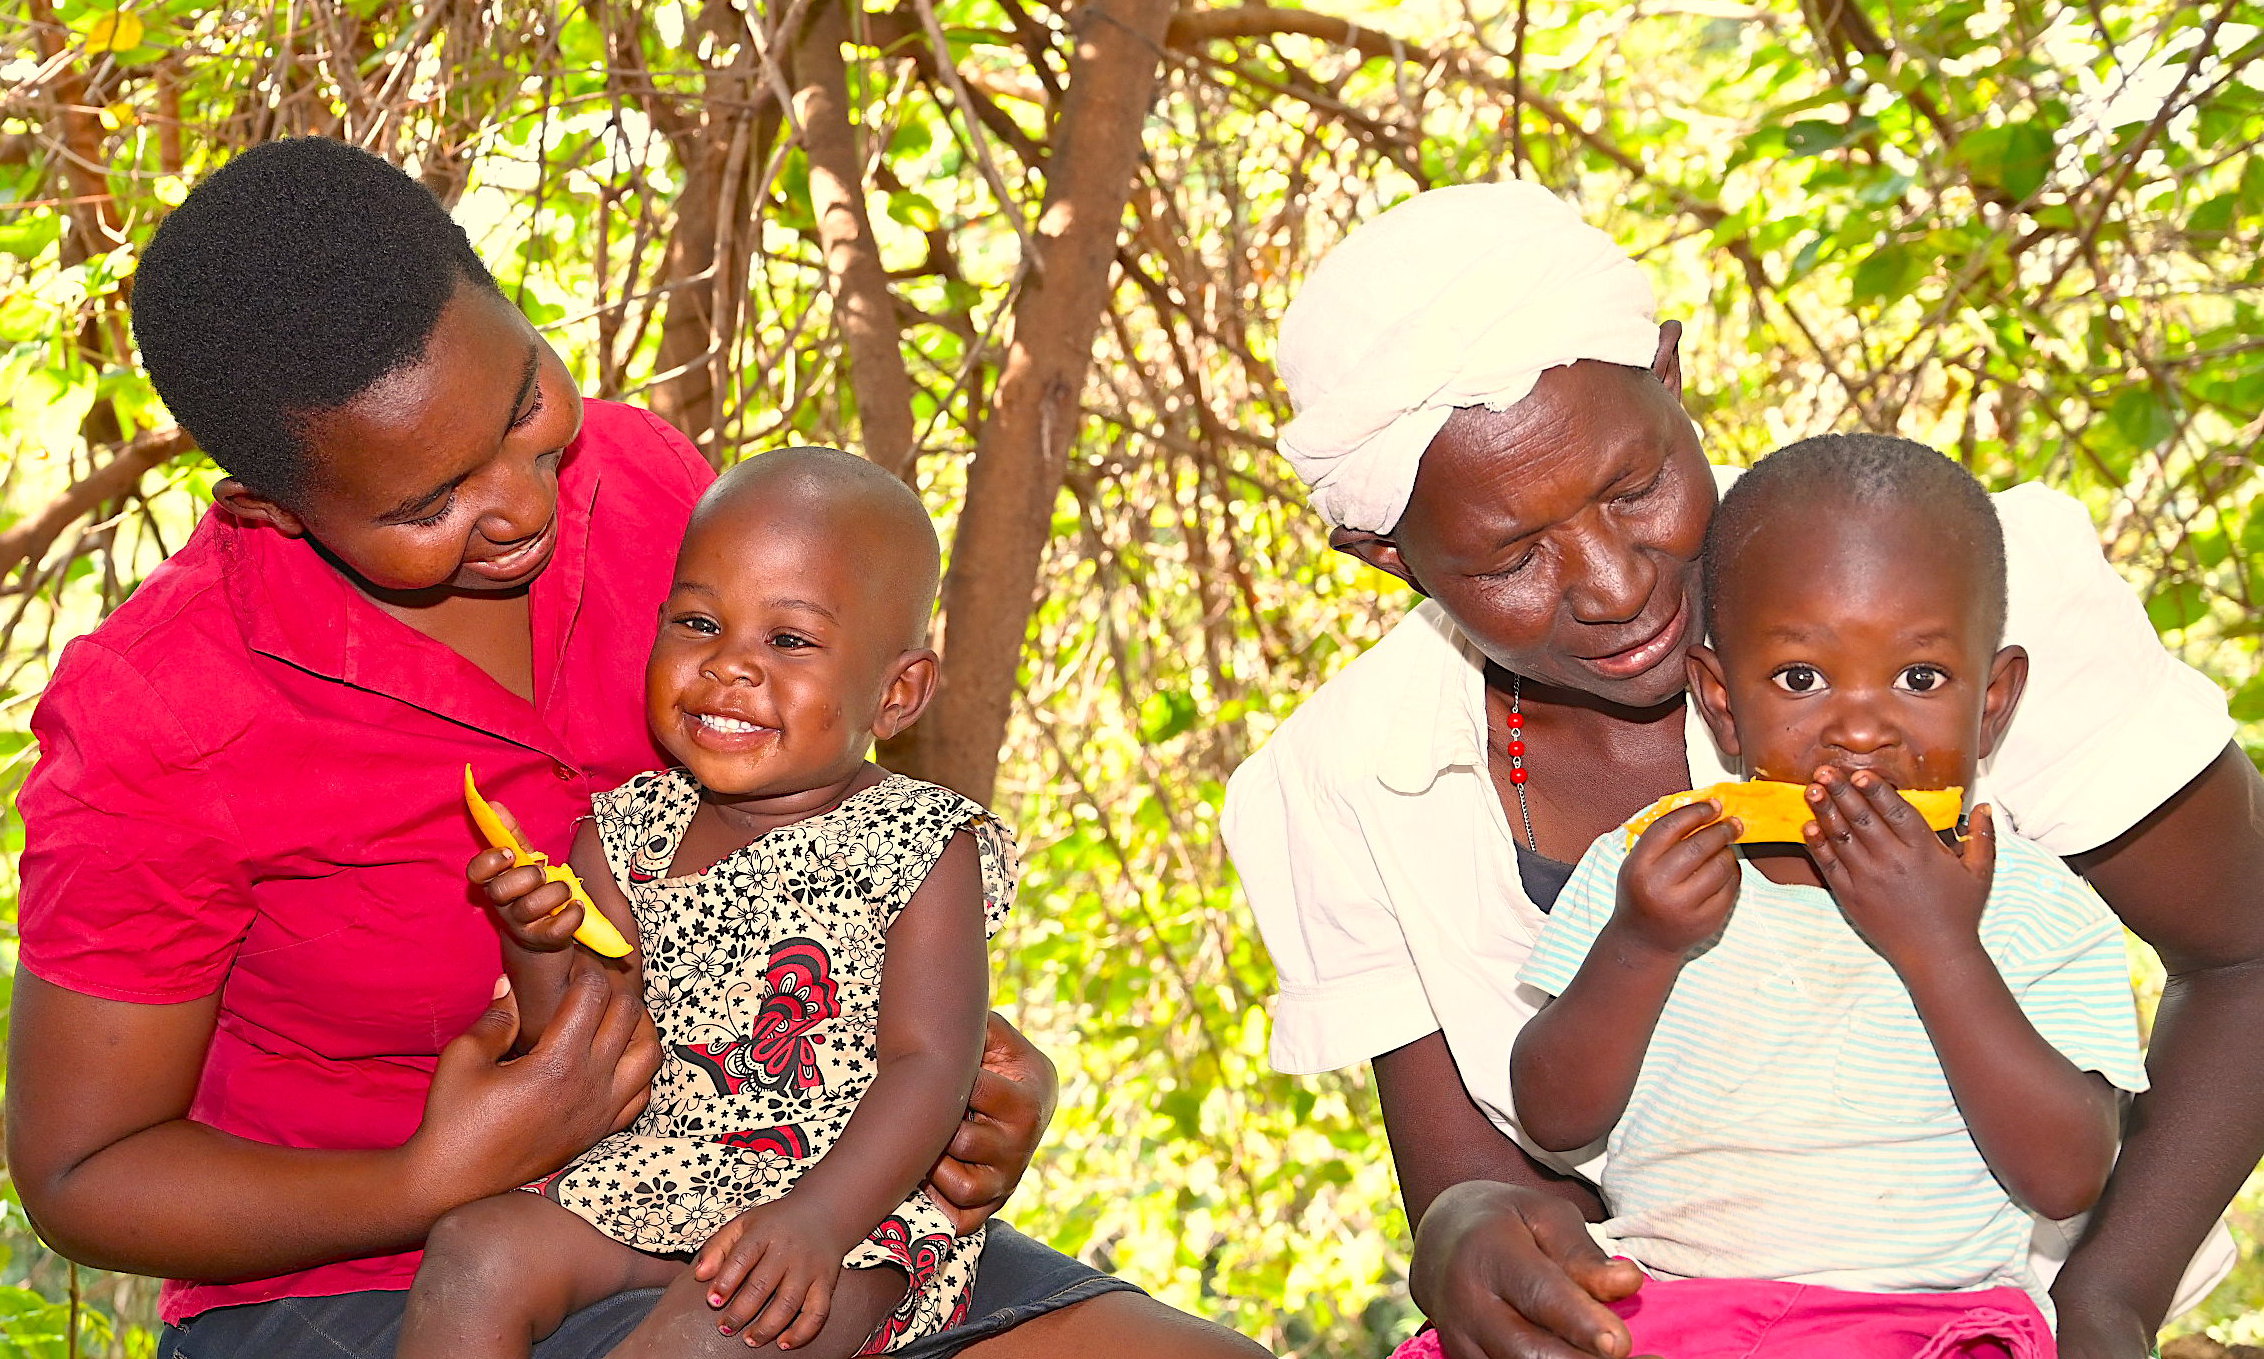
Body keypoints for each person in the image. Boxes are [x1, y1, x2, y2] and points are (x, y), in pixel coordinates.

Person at [6, 137, 1270, 1359]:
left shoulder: (653, 487)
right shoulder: (160, 716)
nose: (521, 502)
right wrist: (427, 1178)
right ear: (269, 506)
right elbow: (81, 1174)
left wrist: (964, 1089)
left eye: (522, 405)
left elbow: (829, 857)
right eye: (425, 505)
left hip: (763, 1192)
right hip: (373, 1283)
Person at [1223, 180, 2261, 1359]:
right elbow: (1508, 1200)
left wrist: (2105, 1304)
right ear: (1384, 555)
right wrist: (1464, 1227)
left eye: (1633, 490)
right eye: (1506, 555)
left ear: (1669, 377)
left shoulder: (1947, 610)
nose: (1614, 587)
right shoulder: (1346, 783)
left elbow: (2247, 954)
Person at [1463, 434, 2139, 1357]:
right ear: (1722, 701)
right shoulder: (1654, 869)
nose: (1860, 725)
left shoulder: (2033, 907)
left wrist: (1942, 947)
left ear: (1993, 702)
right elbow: (1551, 1116)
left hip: (1929, 1325)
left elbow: (2068, 1176)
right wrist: (1641, 945)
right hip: (1675, 1315)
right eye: (1800, 677)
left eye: (1921, 677)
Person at [400, 448, 1014, 1359]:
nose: (729, 666)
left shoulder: (925, 844)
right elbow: (578, 1038)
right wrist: (535, 940)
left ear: (897, 693)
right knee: (474, 1251)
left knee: (708, 1331)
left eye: (790, 640)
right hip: (656, 1170)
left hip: (847, 1206)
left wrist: (816, 1218)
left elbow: (932, 1063)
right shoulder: (623, 832)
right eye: (698, 622)